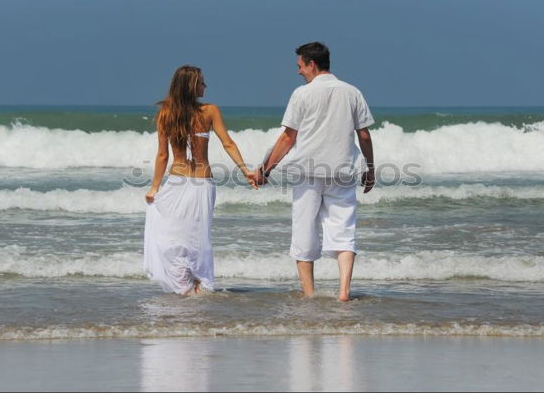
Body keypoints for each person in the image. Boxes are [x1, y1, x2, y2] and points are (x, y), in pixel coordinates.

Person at [256, 42, 375, 302]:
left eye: (300, 66)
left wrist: (265, 170)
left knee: (304, 232)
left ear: (312, 64)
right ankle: (343, 292)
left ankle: (310, 295)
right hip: (342, 171)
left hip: (308, 172)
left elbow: (288, 137)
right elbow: (364, 135)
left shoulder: (302, 94)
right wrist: (370, 168)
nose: (298, 71)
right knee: (343, 231)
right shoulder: (352, 92)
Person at [144, 65, 257, 296]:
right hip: (202, 185)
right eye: (202, 82)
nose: (205, 86)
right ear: (191, 86)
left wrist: (155, 187)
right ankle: (199, 286)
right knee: (198, 237)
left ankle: (185, 287)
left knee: (173, 236)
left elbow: (163, 155)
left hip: (176, 183)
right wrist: (244, 170)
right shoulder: (210, 111)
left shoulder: (165, 113)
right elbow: (228, 143)